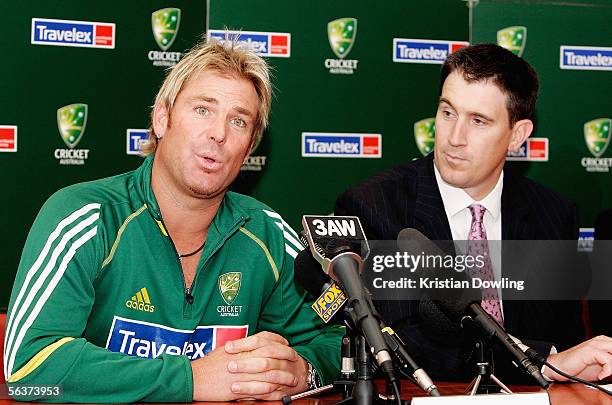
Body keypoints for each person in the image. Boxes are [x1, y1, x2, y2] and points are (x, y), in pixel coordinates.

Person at [4, 39, 342, 402]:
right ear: (161, 118)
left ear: (249, 148)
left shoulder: (267, 233)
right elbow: (28, 371)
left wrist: (304, 370)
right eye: (202, 109)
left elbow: (352, 338)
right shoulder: (85, 216)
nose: (219, 133)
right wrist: (192, 379)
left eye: (239, 121)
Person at [335, 44, 612, 384]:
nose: (454, 137)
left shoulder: (553, 215)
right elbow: (406, 348)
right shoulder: (374, 207)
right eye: (448, 112)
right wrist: (543, 361)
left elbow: (567, 344)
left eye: (478, 121)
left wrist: (564, 361)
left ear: (517, 136)